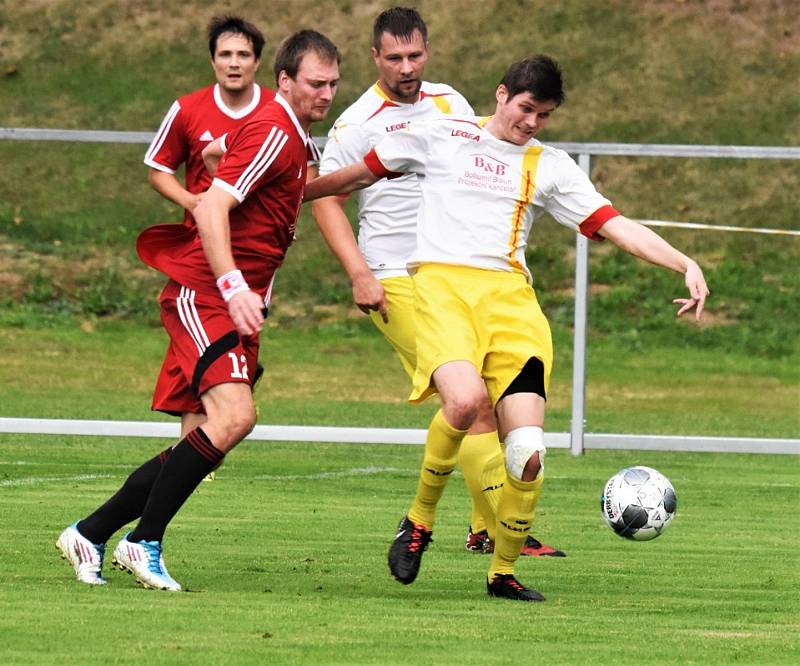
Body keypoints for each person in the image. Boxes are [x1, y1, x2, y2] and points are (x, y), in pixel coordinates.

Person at [303, 54, 709, 601]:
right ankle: (418, 520)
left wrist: (684, 262)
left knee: (528, 455)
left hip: (512, 308)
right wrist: (278, 193)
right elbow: (350, 178)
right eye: (525, 109)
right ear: (500, 95)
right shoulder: (440, 134)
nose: (532, 123)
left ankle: (502, 574)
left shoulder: (551, 165)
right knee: (465, 402)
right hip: (443, 292)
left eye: (543, 115)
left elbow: (614, 225)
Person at [56, 30, 340, 591]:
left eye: (333, 83)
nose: (327, 93)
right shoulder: (274, 129)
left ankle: (90, 532)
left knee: (210, 440)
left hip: (235, 303)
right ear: (284, 80)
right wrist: (234, 285)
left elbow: (296, 191)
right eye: (316, 82)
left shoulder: (290, 135)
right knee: (233, 419)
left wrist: (375, 168)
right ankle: (143, 542)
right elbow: (211, 204)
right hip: (205, 293)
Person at [312, 6, 564, 558]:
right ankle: (498, 527)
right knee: (467, 399)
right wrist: (358, 273)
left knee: (497, 398)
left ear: (427, 50)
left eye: (416, 54)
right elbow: (329, 194)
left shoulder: (450, 101)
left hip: (454, 271)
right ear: (375, 57)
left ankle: (486, 527)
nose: (407, 66)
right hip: (393, 274)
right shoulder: (358, 123)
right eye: (395, 57)